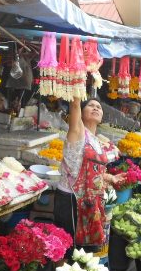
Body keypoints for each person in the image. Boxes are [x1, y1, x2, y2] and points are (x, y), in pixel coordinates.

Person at [54, 98, 126, 251]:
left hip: (90, 202)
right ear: (81, 111)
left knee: (84, 252)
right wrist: (78, 83)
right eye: (90, 106)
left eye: (99, 107)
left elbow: (93, 171)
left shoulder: (97, 141)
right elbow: (74, 104)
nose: (95, 108)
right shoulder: (78, 132)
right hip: (72, 199)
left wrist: (110, 178)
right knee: (68, 250)